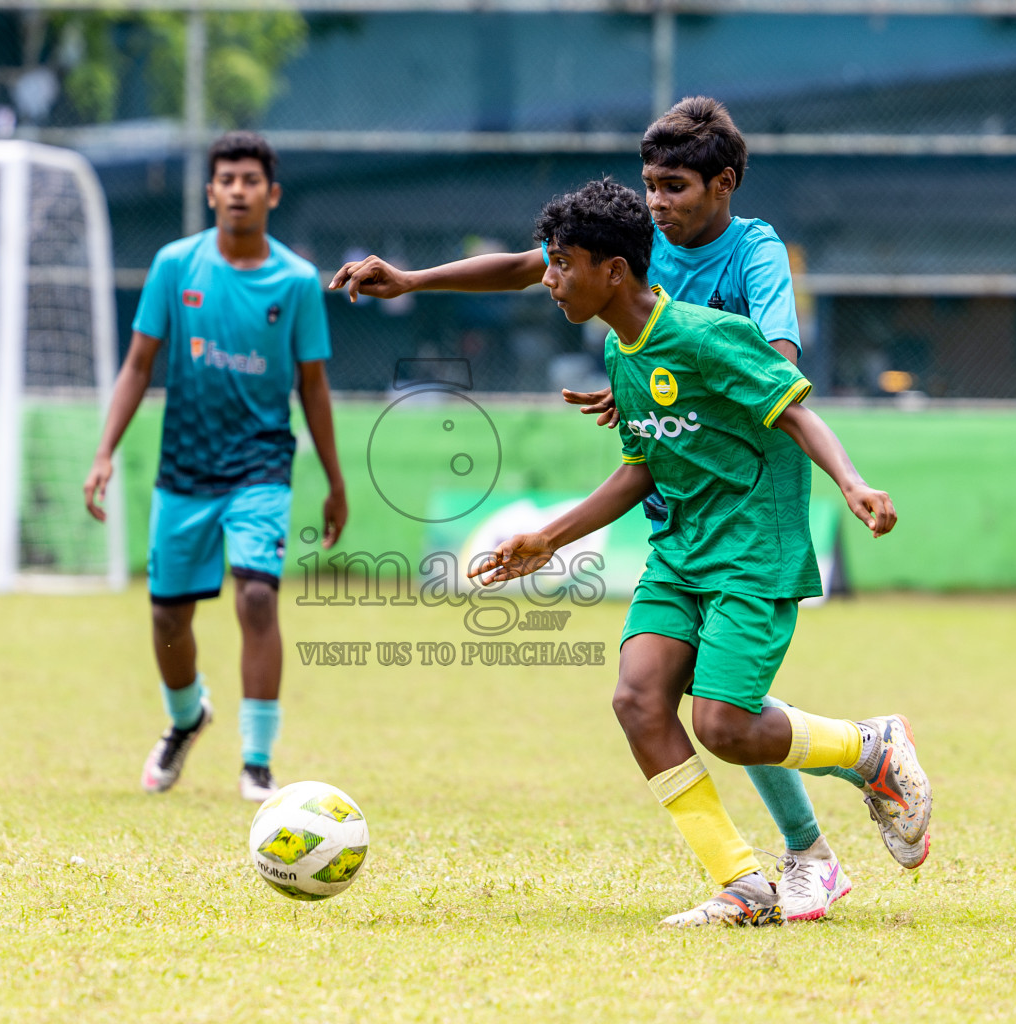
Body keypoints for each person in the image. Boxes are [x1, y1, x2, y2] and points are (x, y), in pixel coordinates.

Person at [330, 98, 926, 922]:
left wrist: (713, 400)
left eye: (674, 186)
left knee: (727, 715)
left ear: (723, 184)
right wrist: (415, 283)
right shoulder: (619, 309)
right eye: (650, 186)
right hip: (683, 515)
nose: (659, 202)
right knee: (650, 701)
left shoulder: (750, 258)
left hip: (753, 507)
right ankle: (758, 878)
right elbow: (534, 272)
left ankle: (854, 778)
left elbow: (777, 373)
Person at [468, 179, 930, 926]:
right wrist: (547, 539)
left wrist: (852, 483)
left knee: (724, 727)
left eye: (561, 263)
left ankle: (868, 748)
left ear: (613, 270)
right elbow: (641, 465)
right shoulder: (622, 354)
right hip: (679, 551)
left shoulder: (709, 336)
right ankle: (743, 884)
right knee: (637, 700)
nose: (547, 280)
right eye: (548, 263)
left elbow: (797, 413)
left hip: (752, 549)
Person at [84, 131, 347, 802]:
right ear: (210, 192)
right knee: (168, 617)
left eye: (250, 180)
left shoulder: (294, 282)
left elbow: (313, 386)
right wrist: (104, 450)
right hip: (184, 470)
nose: (237, 190)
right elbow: (139, 363)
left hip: (261, 465)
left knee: (257, 595)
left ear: (272, 194)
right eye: (226, 179)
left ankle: (257, 761)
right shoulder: (176, 266)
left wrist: (336, 480)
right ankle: (185, 719)